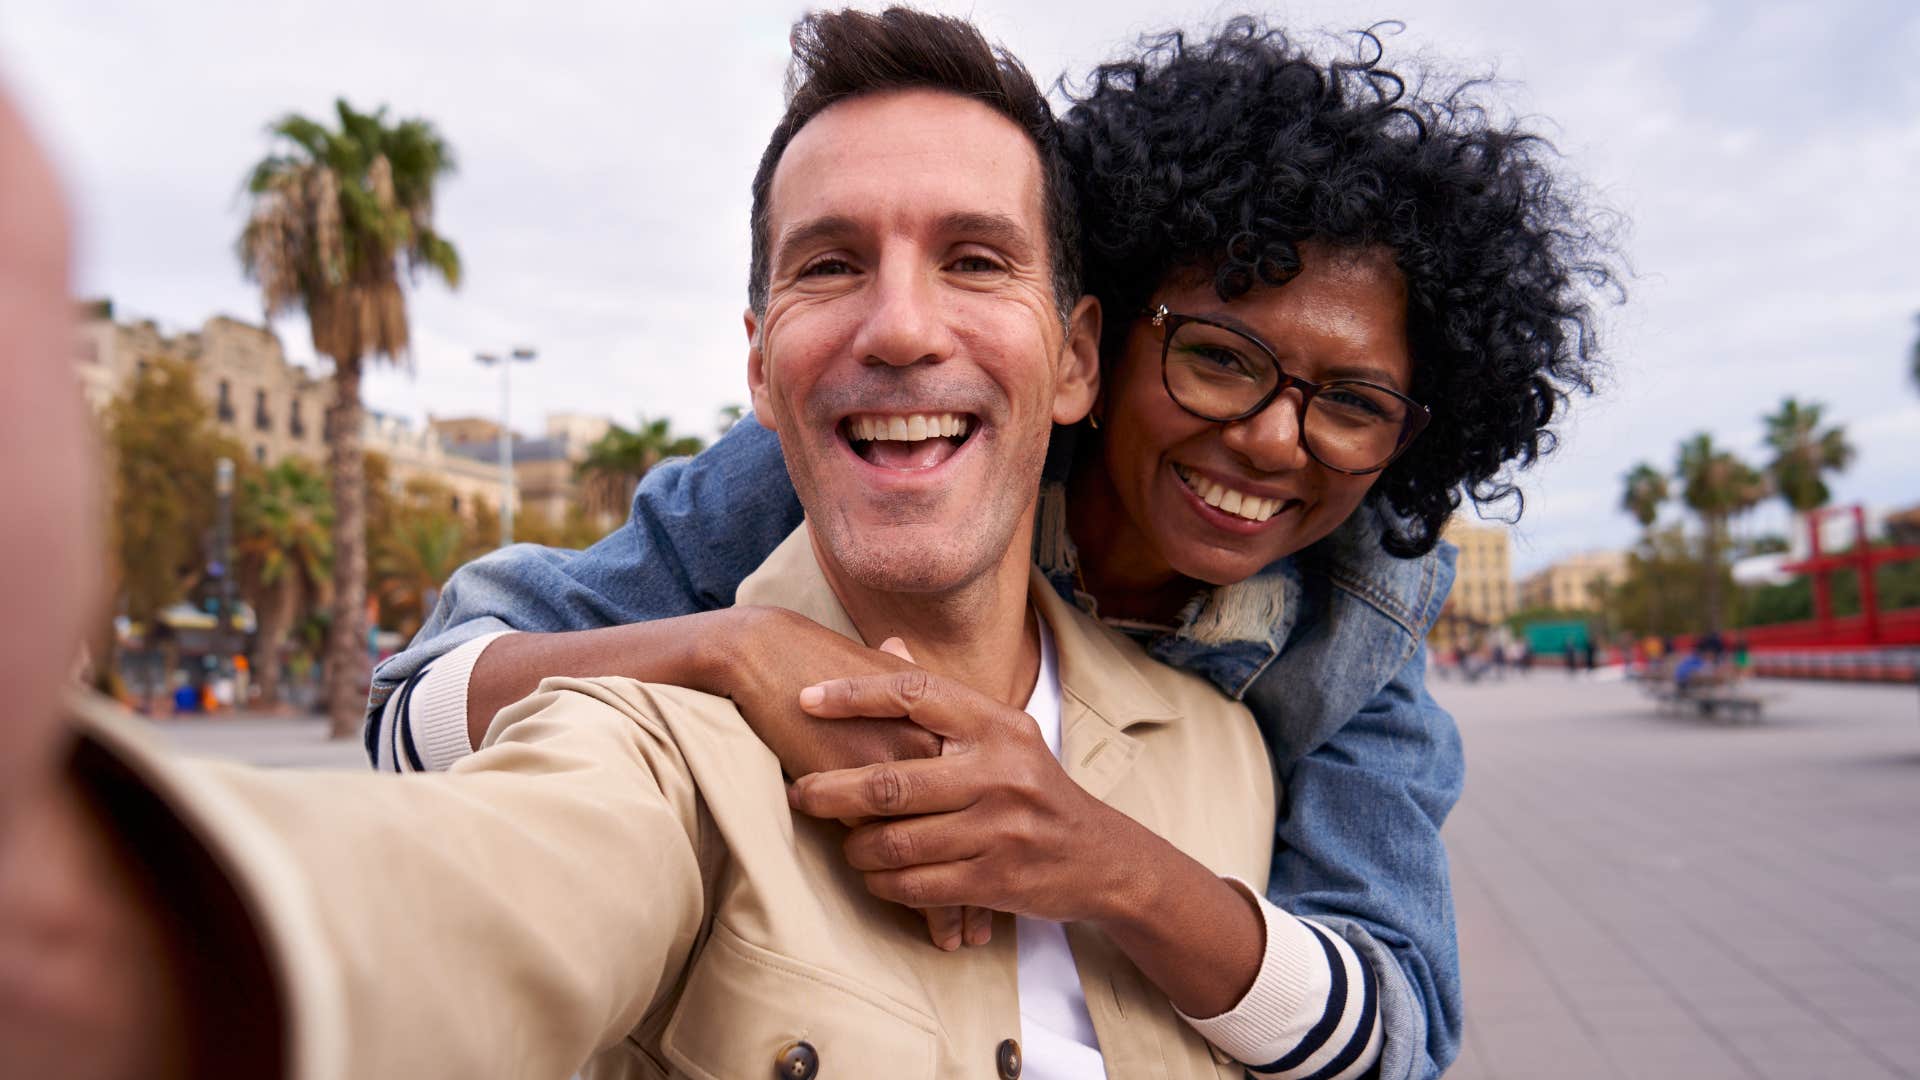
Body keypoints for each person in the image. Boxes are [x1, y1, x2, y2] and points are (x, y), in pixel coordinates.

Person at [2, 11, 1335, 1078]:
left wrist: (1128, 876)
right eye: (828, 265)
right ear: (760, 369)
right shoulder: (649, 738)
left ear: (1077, 361)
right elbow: (461, 899)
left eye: (977, 260)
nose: (900, 327)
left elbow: (1374, 1013)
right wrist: (91, 936)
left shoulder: (1222, 753)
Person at [368, 18, 1618, 1077]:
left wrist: (1112, 865)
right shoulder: (874, 448)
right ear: (1100, 346)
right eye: (1222, 360)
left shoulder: (1360, 614)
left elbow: (1398, 1020)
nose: (1273, 442)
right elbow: (415, 711)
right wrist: (728, 647)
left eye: (1350, 404)